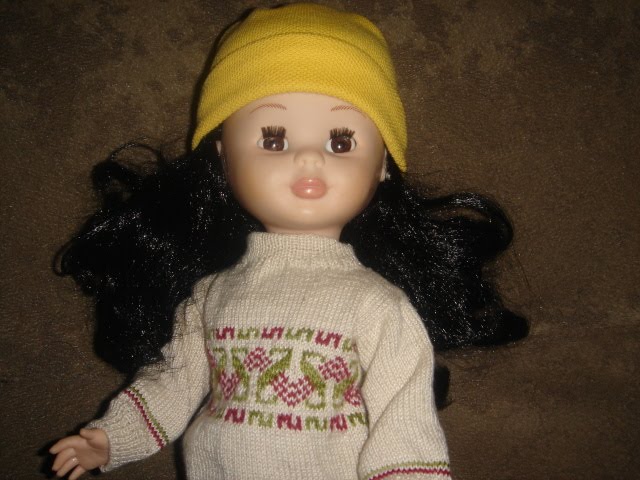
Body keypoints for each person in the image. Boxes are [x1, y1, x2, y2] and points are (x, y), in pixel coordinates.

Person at [50, 3, 527, 479]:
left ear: (382, 164)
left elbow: (402, 417)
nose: (309, 159)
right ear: (224, 159)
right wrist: (111, 437)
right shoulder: (210, 295)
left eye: (341, 142)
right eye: (273, 140)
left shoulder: (377, 305)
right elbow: (174, 381)